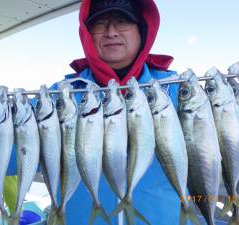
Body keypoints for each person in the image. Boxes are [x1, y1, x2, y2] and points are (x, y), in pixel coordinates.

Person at [48, 0, 184, 224]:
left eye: (122, 22)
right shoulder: (61, 96)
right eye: (100, 24)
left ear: (142, 30)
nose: (111, 32)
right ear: (87, 34)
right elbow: (13, 153)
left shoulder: (175, 89)